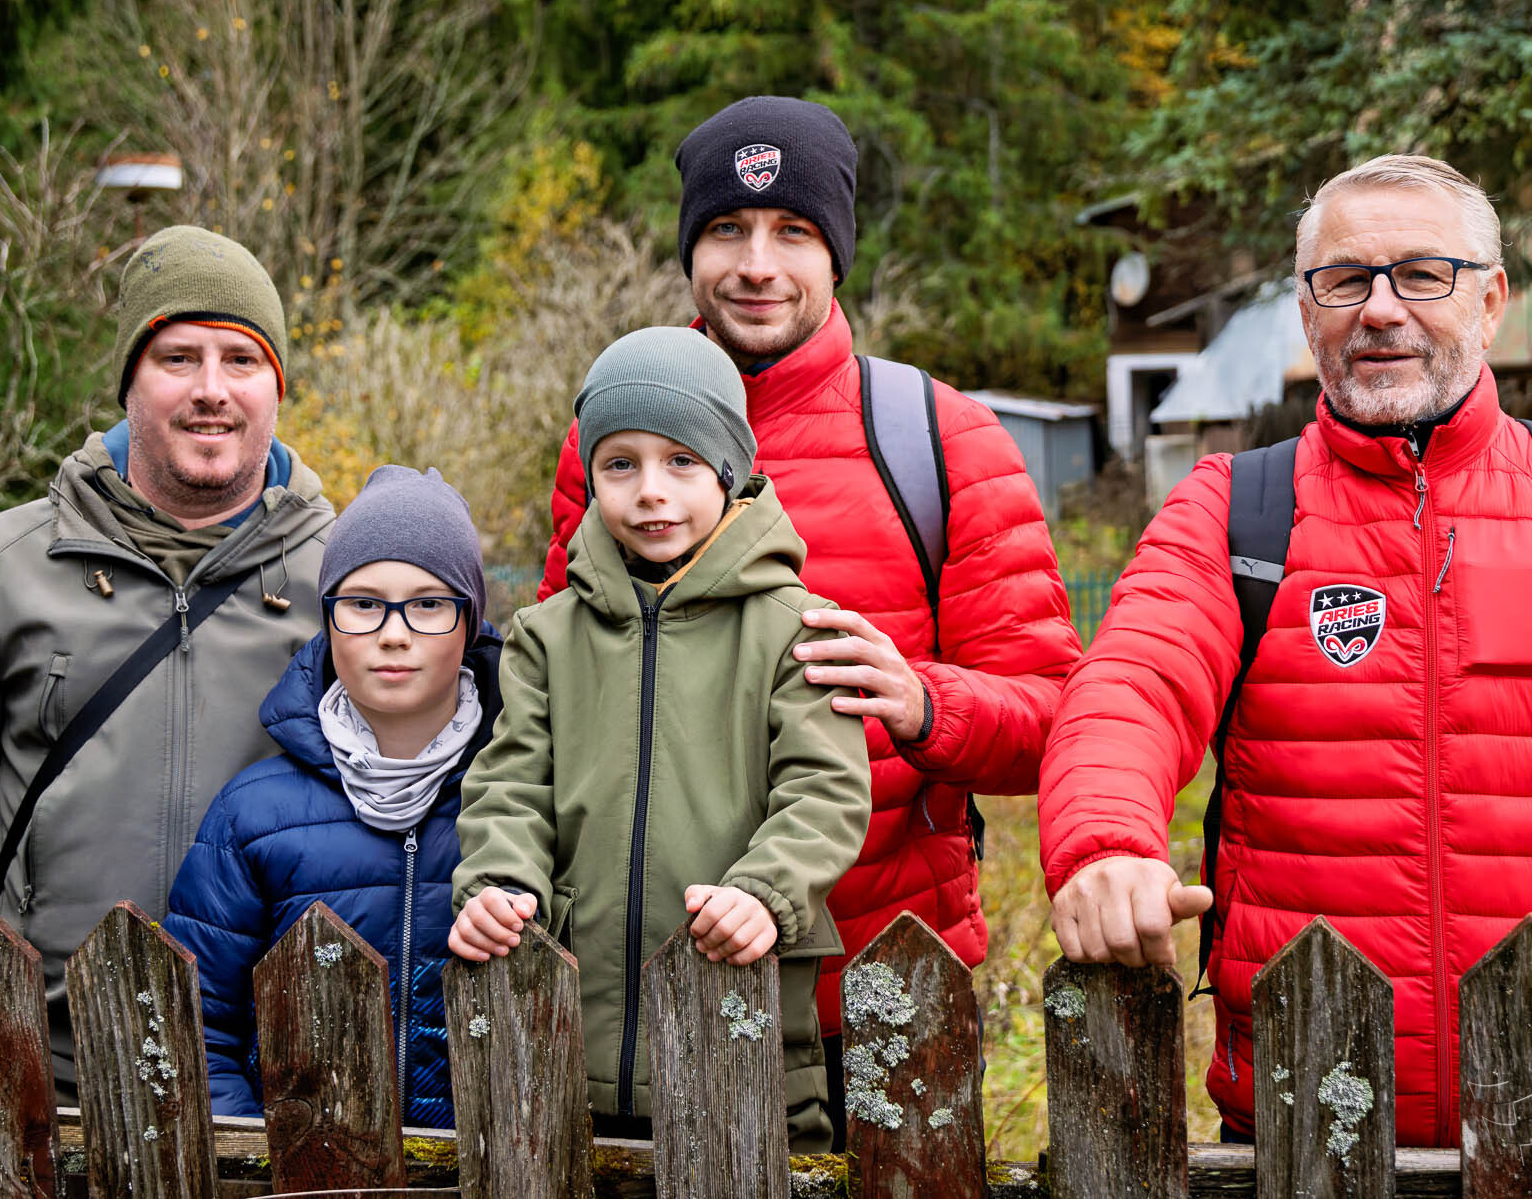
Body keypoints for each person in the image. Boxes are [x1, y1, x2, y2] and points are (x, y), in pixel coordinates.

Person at [1037, 154, 1532, 1147]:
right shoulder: (1232, 508)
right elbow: (1129, 688)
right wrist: (1104, 844)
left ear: (1491, 301)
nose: (1380, 309)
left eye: (1423, 275)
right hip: (1303, 1122)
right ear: (1306, 310)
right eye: (1345, 279)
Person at [536, 97, 1082, 1138]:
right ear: (688, 251)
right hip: (648, 991)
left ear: (837, 252)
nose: (757, 265)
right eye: (725, 230)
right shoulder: (606, 443)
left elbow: (1059, 717)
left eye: (792, 231)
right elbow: (561, 697)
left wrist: (926, 703)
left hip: (876, 990)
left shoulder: (941, 443)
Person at [0, 226, 336, 1099]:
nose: (212, 390)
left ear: (277, 386)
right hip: (39, 1080)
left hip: (269, 1093)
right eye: (178, 358)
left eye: (242, 360)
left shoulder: (351, 586)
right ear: (129, 381)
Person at [455, 326, 872, 1151]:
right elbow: (510, 786)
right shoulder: (547, 636)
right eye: (620, 464)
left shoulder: (796, 630)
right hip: (567, 1048)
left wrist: (766, 892)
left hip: (739, 1035)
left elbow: (824, 791)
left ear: (728, 470)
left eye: (681, 461)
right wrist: (498, 883)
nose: (650, 492)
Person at [165, 466, 498, 1126]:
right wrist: (255, 1160)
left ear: (470, 624)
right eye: (364, 603)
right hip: (301, 1164)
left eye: (429, 604)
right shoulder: (253, 814)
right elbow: (200, 1029)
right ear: (328, 620)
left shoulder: (521, 802)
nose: (394, 632)